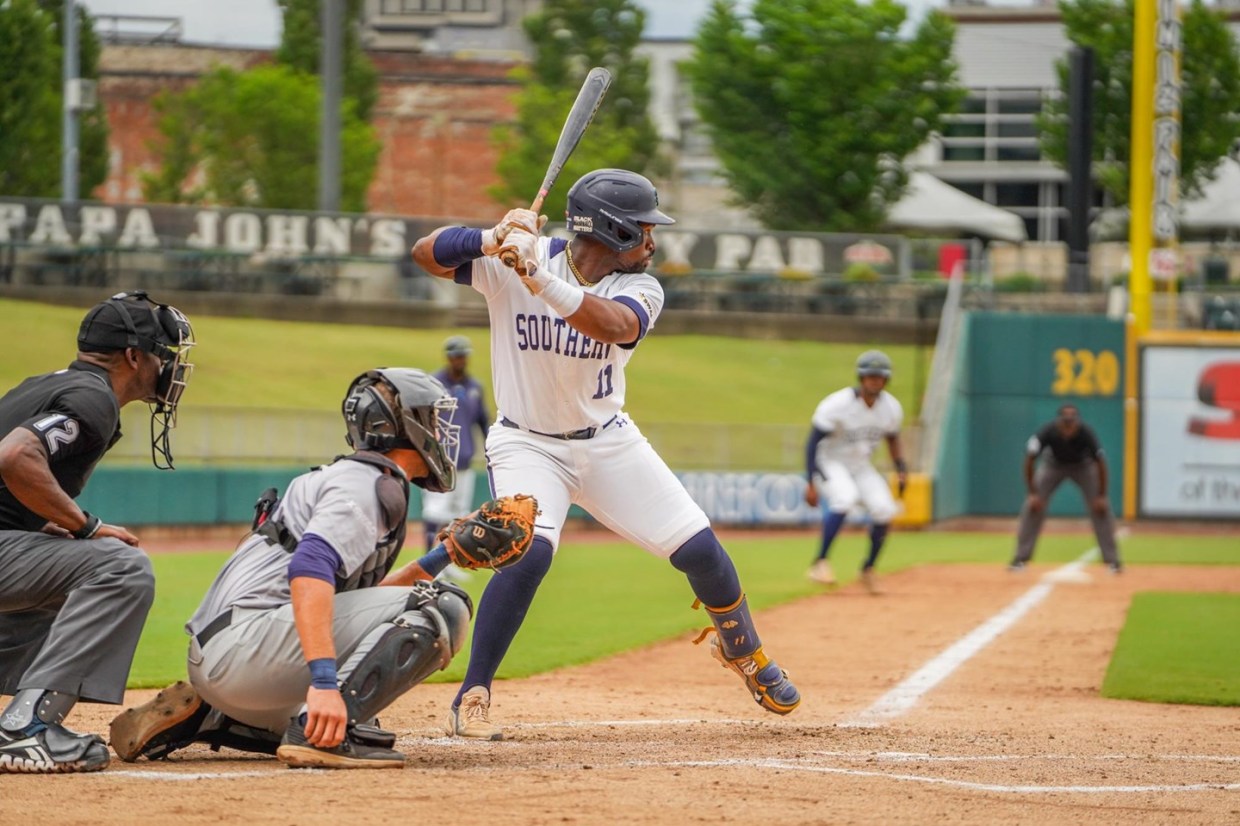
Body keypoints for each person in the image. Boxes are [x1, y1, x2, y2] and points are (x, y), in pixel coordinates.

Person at [411, 167, 801, 740]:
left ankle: (745, 650)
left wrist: (539, 278)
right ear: (614, 230)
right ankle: (473, 694)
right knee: (526, 551)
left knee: (702, 551)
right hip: (527, 443)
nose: (652, 241)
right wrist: (490, 239)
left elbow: (613, 327)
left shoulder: (638, 286)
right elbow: (425, 253)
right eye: (644, 229)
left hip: (608, 441)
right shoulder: (517, 256)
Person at [108, 368, 475, 769]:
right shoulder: (364, 487)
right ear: (404, 425)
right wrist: (322, 683)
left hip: (236, 653)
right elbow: (309, 570)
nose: (441, 432)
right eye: (434, 419)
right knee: (441, 606)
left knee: (366, 698)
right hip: (244, 650)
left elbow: (361, 602)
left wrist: (447, 554)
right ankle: (310, 733)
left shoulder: (352, 478)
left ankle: (218, 714)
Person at [0, 291, 195, 774]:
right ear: (133, 356)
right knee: (120, 567)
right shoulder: (95, 397)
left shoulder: (40, 384)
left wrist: (42, 522)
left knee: (67, 564)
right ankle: (29, 729)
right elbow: (14, 457)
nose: (168, 367)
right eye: (162, 355)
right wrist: (86, 525)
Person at [803, 350, 907, 595]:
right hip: (830, 461)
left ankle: (868, 569)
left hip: (860, 465)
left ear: (886, 380)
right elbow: (812, 441)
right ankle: (820, 563)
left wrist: (901, 468)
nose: (874, 380)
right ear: (861, 377)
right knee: (845, 498)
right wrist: (810, 482)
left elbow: (893, 439)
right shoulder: (838, 404)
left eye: (879, 377)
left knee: (884, 509)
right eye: (870, 376)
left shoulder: (891, 408)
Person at [1008, 403, 1122, 573]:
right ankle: (1020, 558)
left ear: (1077, 422)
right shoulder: (1048, 431)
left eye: (1072, 422)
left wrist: (1101, 495)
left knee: (1101, 509)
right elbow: (1030, 459)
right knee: (1032, 507)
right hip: (1053, 465)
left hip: (1083, 466)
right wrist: (1032, 493)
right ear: (1059, 422)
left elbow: (1101, 463)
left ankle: (1113, 561)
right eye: (1065, 422)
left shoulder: (1086, 433)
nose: (1069, 426)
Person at [421, 335, 491, 576]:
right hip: (440, 461)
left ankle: (451, 564)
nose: (460, 359)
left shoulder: (474, 387)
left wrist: (490, 446)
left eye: (463, 355)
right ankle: (429, 564)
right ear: (449, 357)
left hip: (465, 459)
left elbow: (482, 420)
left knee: (459, 514)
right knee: (435, 511)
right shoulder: (434, 384)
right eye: (456, 355)